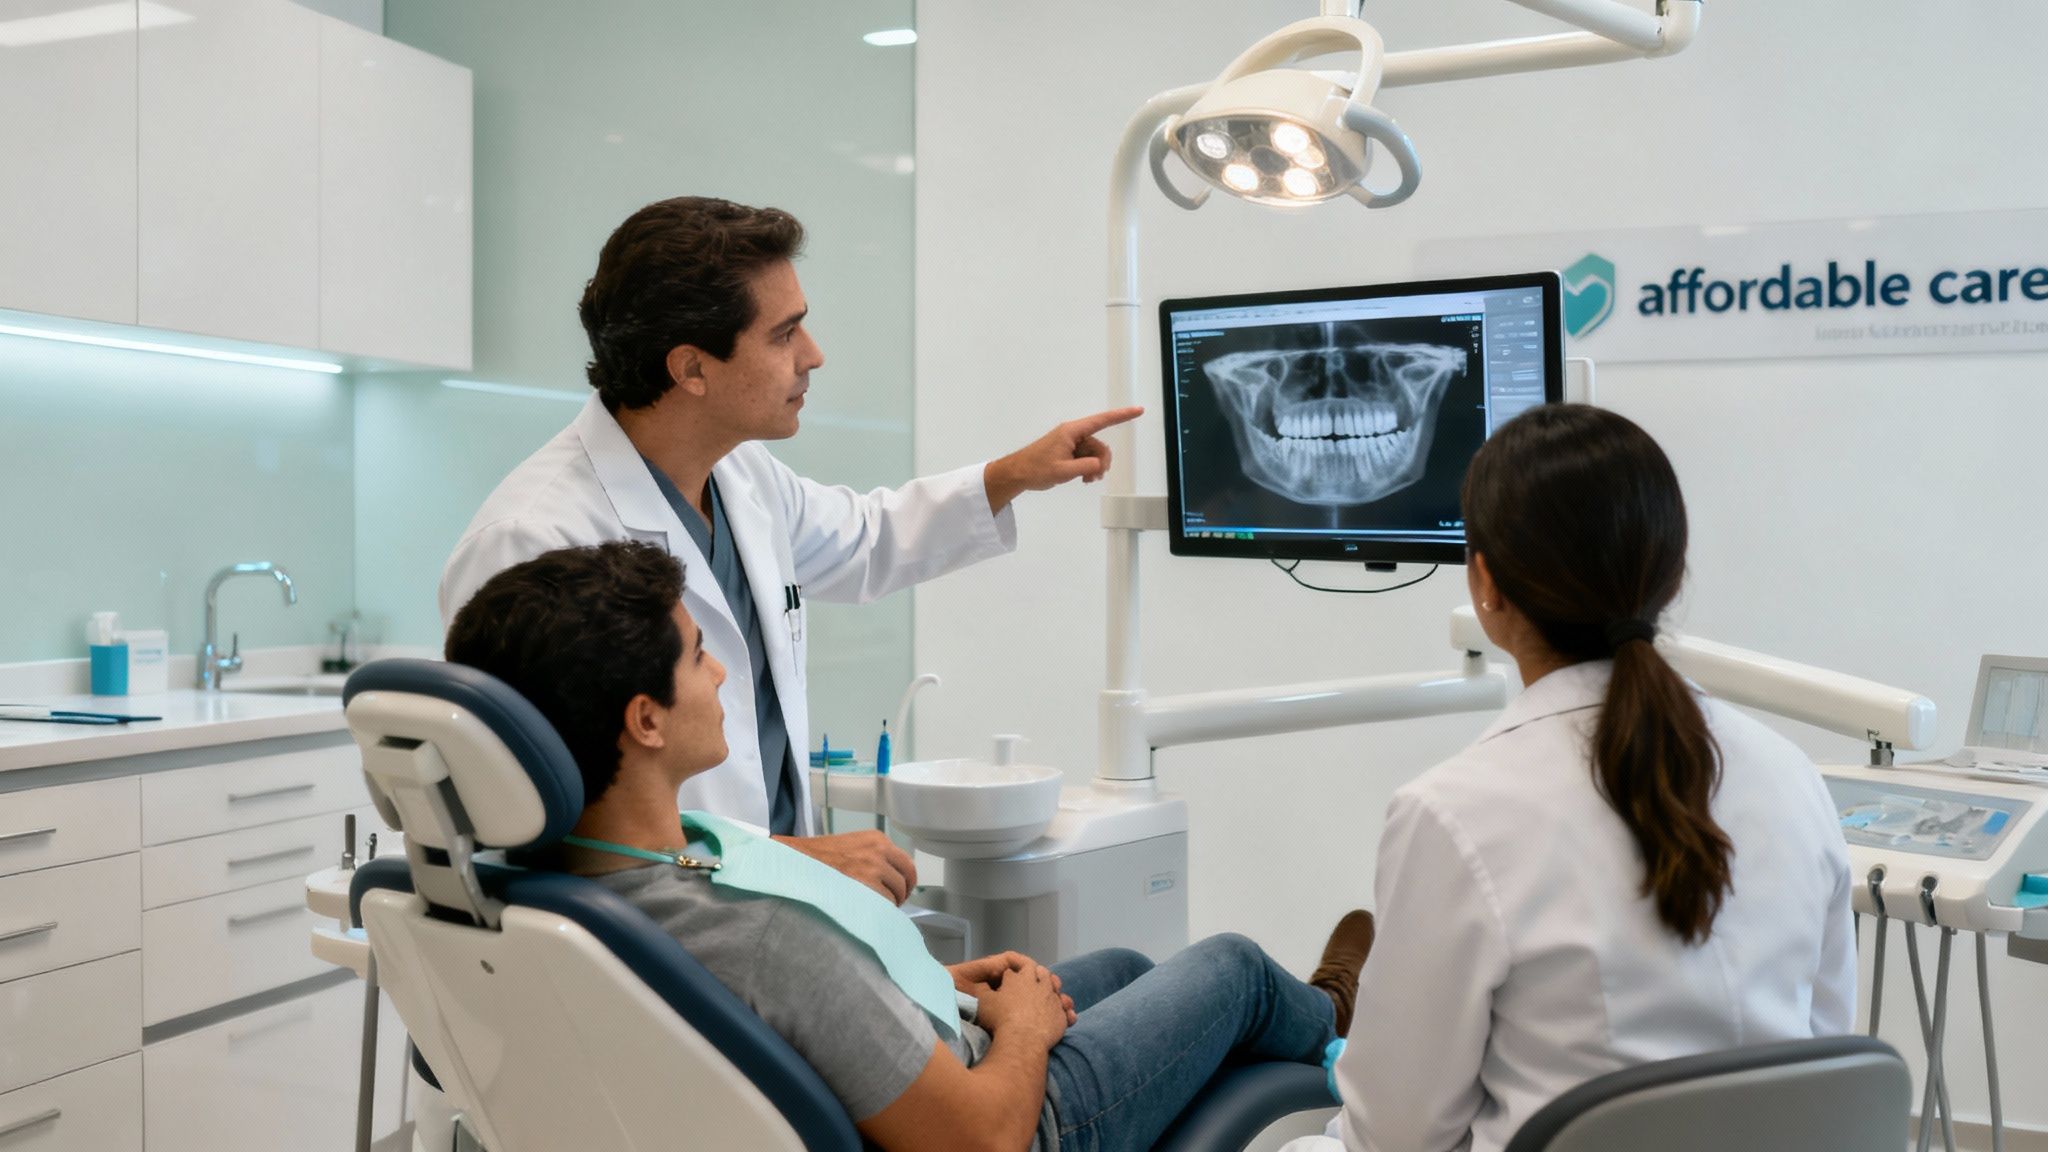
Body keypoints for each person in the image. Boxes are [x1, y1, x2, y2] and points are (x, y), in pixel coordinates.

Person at [444, 539, 1378, 1152]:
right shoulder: (760, 935)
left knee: (1132, 964)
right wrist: (1017, 1034)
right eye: (697, 655)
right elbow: (980, 1141)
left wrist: (923, 990)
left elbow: (799, 1012)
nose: (722, 670)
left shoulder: (568, 883)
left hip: (920, 1062)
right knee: (1233, 968)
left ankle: (1293, 1028)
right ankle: (1339, 1023)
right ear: (645, 720)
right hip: (1015, 1122)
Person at [440, 196, 1142, 905]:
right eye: (785, 335)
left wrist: (1010, 475)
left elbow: (868, 538)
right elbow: (543, 828)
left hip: (769, 918)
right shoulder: (533, 540)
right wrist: (783, 859)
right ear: (691, 368)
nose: (814, 356)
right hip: (667, 944)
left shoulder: (742, 477)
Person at [1291, 404, 1855, 1152]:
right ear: (1671, 575)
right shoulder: (1792, 776)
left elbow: (1398, 1133)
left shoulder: (1454, 812)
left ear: (1486, 586)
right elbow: (1825, 1052)